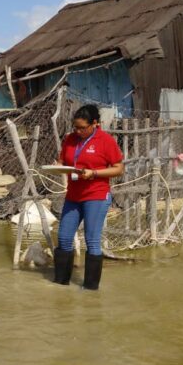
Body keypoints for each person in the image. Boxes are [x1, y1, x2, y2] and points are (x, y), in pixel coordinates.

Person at [55, 104, 124, 290]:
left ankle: (90, 288)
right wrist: (56, 167)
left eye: (82, 128)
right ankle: (60, 285)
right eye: (75, 127)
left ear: (95, 124)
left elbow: (119, 168)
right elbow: (62, 161)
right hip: (73, 196)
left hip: (96, 195)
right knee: (63, 238)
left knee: (92, 240)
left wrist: (93, 173)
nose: (78, 131)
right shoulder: (70, 139)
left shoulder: (105, 140)